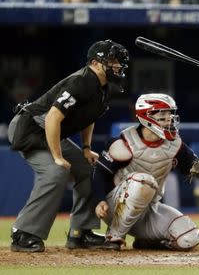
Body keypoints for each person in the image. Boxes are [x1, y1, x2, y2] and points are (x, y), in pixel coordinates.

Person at [7, 39, 129, 252]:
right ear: (95, 63)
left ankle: (80, 232)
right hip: (30, 129)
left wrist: (86, 147)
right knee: (56, 172)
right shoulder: (80, 82)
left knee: (87, 168)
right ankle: (23, 233)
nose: (117, 65)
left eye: (118, 61)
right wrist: (57, 156)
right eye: (112, 61)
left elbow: (90, 115)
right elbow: (52, 118)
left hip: (50, 131)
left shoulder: (105, 86)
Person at [92, 93, 199, 250]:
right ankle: (113, 236)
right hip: (115, 208)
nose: (169, 118)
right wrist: (99, 200)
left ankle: (148, 241)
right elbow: (99, 172)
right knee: (144, 181)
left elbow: (193, 167)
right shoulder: (124, 141)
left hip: (148, 210)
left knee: (190, 237)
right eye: (163, 113)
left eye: (170, 113)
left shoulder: (174, 143)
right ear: (147, 116)